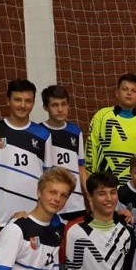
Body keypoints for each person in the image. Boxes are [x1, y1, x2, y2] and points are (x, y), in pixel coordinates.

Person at [0, 79, 52, 253]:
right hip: (1, 218)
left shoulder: (43, 135)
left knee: (32, 267)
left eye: (28, 101)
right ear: (8, 101)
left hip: (34, 217)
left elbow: (48, 179)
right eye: (18, 100)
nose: (23, 105)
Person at [85, 73, 136, 186]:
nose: (129, 93)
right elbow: (91, 149)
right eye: (125, 89)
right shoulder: (101, 116)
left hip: (135, 188)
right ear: (117, 93)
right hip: (104, 186)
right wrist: (90, 179)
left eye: (134, 91)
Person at [40, 85, 87, 222]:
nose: (60, 109)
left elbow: (81, 167)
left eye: (64, 104)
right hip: (51, 203)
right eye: (55, 105)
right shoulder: (38, 133)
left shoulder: (76, 132)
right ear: (45, 107)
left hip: (76, 203)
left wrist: (88, 195)